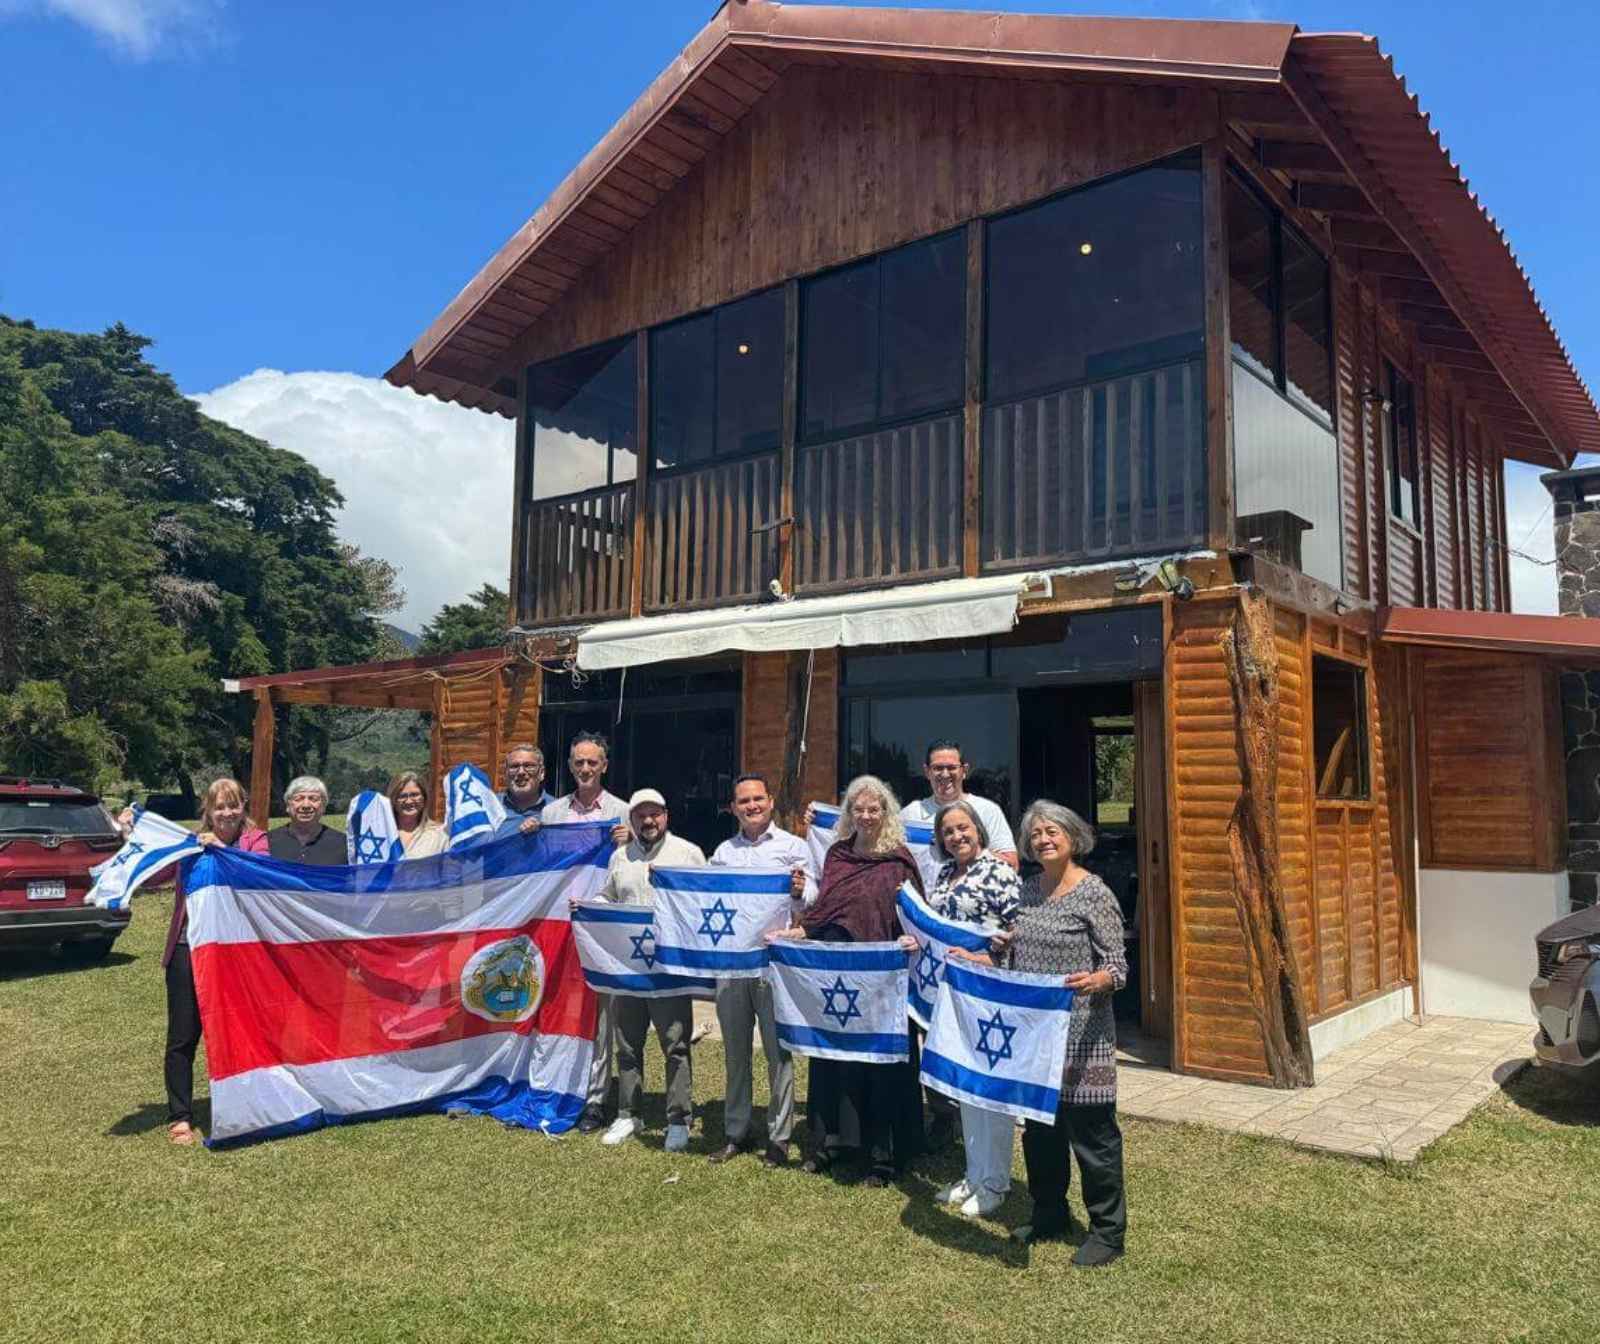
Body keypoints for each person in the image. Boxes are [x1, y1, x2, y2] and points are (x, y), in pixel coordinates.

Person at [953, 800, 1127, 1265]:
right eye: (1035, 835)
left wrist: (1100, 980)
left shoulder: (1095, 893)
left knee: (1093, 1139)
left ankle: (1108, 1232)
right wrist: (978, 961)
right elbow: (1013, 957)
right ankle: (1050, 1213)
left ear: (1072, 838)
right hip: (1034, 1041)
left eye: (1052, 832)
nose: (1043, 840)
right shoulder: (1027, 892)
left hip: (1083, 1039)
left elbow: (1118, 965)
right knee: (1040, 1134)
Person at [770, 775, 923, 1187]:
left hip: (883, 981)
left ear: (885, 813)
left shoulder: (899, 860)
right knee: (833, 1057)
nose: (867, 816)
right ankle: (830, 1145)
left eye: (875, 810)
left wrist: (912, 937)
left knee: (880, 1065)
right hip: (838, 974)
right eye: (860, 809)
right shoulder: (837, 855)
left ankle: (881, 1157)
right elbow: (825, 912)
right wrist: (796, 933)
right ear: (849, 814)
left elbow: (915, 914)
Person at [129, 779, 268, 1145]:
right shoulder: (188, 843)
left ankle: (248, 1104)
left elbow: (260, 874)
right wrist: (133, 836)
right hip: (188, 947)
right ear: (207, 810)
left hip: (239, 951)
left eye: (233, 805)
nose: (227, 813)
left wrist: (221, 848)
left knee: (243, 1028)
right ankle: (180, 1115)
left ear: (243, 807)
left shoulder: (256, 840)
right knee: (183, 1034)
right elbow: (155, 874)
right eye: (219, 807)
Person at [705, 773, 815, 1168]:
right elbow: (706, 903)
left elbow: (812, 903)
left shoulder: (794, 848)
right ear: (733, 807)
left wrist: (802, 891)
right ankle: (736, 1131)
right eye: (742, 801)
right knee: (736, 1053)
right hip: (732, 966)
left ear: (770, 801)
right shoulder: (722, 853)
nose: (751, 806)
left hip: (773, 968)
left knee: (777, 1054)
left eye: (757, 799)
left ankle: (779, 1137)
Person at [594, 789, 705, 1153]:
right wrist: (588, 907)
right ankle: (629, 1112)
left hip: (668, 969)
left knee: (674, 1044)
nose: (648, 821)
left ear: (666, 815)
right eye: (640, 815)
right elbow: (608, 897)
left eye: (654, 814)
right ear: (632, 820)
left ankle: (678, 1117)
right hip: (629, 968)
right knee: (627, 1044)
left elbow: (702, 903)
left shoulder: (687, 853)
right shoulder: (620, 857)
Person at [926, 799, 1022, 1218]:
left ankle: (996, 1183)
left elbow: (1021, 932)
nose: (956, 836)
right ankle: (974, 1172)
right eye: (948, 832)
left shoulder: (998, 871)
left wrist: (989, 960)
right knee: (967, 1084)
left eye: (963, 828)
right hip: (955, 992)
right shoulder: (946, 873)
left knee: (990, 1089)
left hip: (991, 993)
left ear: (978, 830)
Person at [533, 732, 631, 1132]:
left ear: (604, 766)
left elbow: (639, 865)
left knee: (601, 1016)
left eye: (593, 762)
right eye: (578, 763)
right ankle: (556, 1083)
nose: (585, 769)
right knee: (557, 1008)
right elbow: (536, 871)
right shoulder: (553, 815)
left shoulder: (623, 813)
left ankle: (594, 1098)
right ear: (570, 766)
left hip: (602, 930)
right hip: (557, 929)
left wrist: (630, 843)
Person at [267, 776, 346, 865]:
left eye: (313, 799)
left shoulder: (343, 844)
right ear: (288, 805)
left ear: (324, 806)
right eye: (298, 799)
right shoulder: (267, 841)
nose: (306, 805)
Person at [493, 743, 554, 838]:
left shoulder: (558, 810)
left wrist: (542, 835)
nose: (521, 772)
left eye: (529, 766)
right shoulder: (490, 807)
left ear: (541, 773)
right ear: (505, 773)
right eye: (514, 766)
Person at [390, 771, 447, 858]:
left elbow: (450, 869)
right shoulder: (383, 833)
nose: (409, 801)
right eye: (402, 796)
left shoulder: (440, 835)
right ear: (393, 800)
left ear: (424, 797)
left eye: (414, 795)